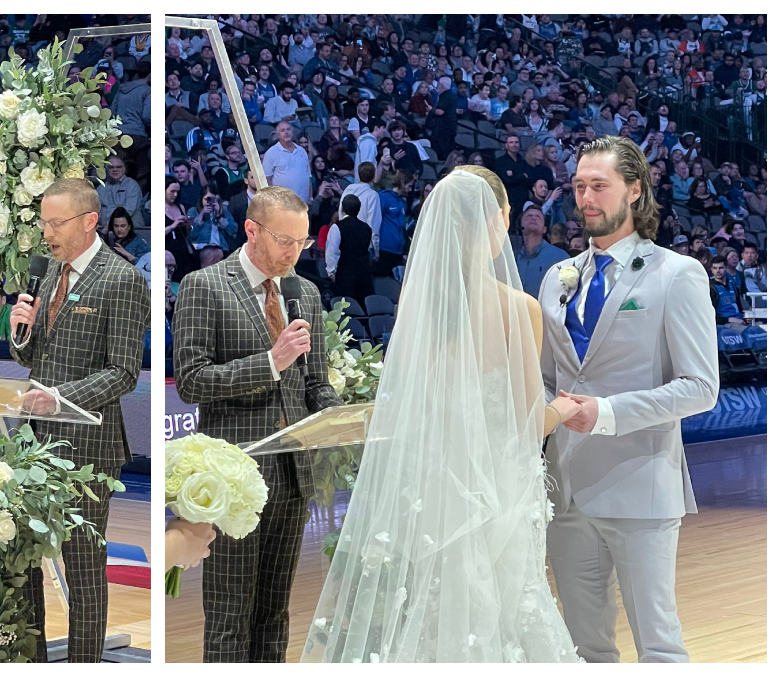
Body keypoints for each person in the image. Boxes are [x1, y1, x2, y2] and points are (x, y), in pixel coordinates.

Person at [306, 165, 589, 663]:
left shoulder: (420, 308)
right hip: (498, 487)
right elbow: (525, 429)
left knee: (439, 608)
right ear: (500, 220)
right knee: (507, 609)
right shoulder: (518, 309)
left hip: (436, 487)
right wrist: (563, 408)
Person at [539, 135, 718, 662]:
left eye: (599, 186)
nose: (586, 198)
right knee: (584, 649)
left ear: (634, 191)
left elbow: (701, 387)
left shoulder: (677, 273)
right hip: (565, 490)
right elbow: (548, 379)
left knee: (658, 646)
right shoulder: (556, 278)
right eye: (579, 186)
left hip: (640, 484)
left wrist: (607, 413)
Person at [173, 186, 342, 662]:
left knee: (274, 614)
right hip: (232, 479)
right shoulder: (203, 286)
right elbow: (190, 380)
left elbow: (316, 383)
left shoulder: (303, 292)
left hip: (292, 475)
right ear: (251, 230)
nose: (293, 252)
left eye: (302, 242)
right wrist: (270, 362)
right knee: (230, 617)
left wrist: (341, 414)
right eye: (285, 240)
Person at [7, 178, 150, 662]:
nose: (47, 232)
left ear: (90, 221)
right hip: (34, 442)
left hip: (89, 444)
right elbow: (32, 359)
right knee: (24, 556)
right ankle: (31, 657)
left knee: (84, 567)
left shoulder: (122, 279)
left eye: (56, 222)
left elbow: (124, 371)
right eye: (44, 222)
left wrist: (60, 398)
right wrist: (18, 332)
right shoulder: (49, 274)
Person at [325, 193, 373, 307]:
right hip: (364, 275)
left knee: (346, 310)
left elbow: (332, 251)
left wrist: (331, 272)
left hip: (345, 275)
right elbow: (369, 249)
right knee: (363, 308)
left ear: (342, 209)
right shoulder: (367, 228)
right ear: (359, 209)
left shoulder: (337, 227)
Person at [514, 205, 569, 296]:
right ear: (520, 225)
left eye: (538, 217)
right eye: (529, 216)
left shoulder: (560, 257)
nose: (533, 218)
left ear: (545, 229)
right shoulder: (510, 256)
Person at [187, 186, 238, 268]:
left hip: (220, 248)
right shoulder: (193, 211)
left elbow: (233, 230)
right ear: (201, 199)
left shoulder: (223, 210)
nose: (209, 202)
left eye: (212, 199)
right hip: (200, 249)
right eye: (207, 199)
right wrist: (202, 214)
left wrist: (219, 216)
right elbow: (190, 234)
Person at [263, 121, 311, 204]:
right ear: (278, 135)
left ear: (292, 132)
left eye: (288, 129)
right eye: (282, 130)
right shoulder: (271, 153)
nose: (286, 132)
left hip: (304, 203)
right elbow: (267, 180)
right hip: (282, 204)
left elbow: (308, 176)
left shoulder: (302, 151)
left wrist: (311, 198)